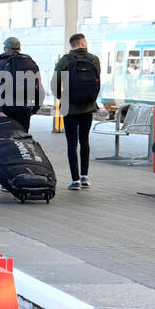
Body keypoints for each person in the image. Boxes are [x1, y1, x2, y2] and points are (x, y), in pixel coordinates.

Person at [51, 33, 101, 191]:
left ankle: (75, 180)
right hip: (88, 105)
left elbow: (54, 84)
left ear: (72, 45)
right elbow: (97, 80)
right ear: (83, 43)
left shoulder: (65, 60)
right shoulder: (94, 59)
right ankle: (84, 177)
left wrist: (62, 97)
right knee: (84, 140)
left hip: (69, 107)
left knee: (72, 144)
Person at [0, 36, 44, 132]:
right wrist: (34, 109)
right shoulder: (29, 63)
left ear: (5, 49)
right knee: (22, 138)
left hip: (6, 109)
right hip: (25, 108)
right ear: (19, 49)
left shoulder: (1, 64)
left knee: (7, 138)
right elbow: (39, 88)